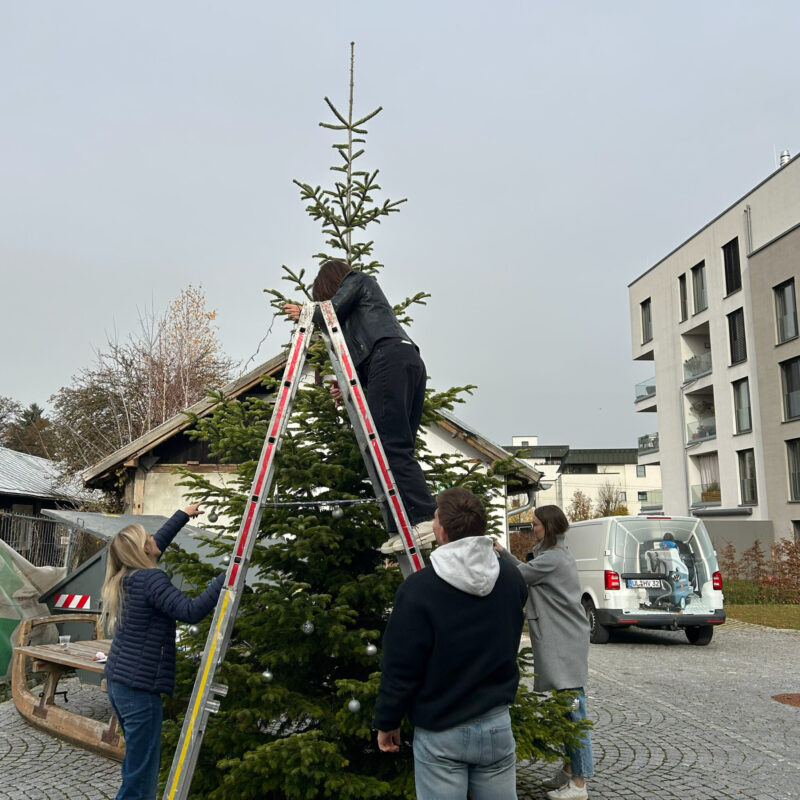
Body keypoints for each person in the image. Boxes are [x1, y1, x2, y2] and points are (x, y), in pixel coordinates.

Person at [373, 487, 528, 800]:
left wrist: (388, 720)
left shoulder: (419, 589)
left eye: (434, 519)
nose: (431, 524)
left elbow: (401, 666)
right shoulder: (511, 577)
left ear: (442, 531)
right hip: (497, 724)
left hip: (442, 728)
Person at [283, 260, 437, 551]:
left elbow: (331, 309)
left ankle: (425, 518)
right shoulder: (363, 315)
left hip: (391, 359)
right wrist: (346, 383)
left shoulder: (358, 280)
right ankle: (402, 526)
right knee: (395, 447)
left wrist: (306, 311)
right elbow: (364, 358)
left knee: (390, 446)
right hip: (405, 361)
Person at [100, 503, 224, 800]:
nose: (155, 540)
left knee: (136, 766)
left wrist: (183, 514)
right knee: (140, 779)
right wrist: (226, 578)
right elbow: (191, 611)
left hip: (120, 683)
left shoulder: (128, 575)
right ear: (144, 551)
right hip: (139, 691)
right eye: (149, 538)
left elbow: (158, 545)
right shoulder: (150, 579)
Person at [494, 506, 594, 800]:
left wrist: (498, 555)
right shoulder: (552, 556)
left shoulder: (552, 559)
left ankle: (578, 784)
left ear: (547, 528)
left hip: (565, 639)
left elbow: (518, 575)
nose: (532, 528)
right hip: (563, 636)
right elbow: (525, 572)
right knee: (566, 708)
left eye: (535, 524)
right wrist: (502, 550)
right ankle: (568, 769)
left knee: (574, 710)